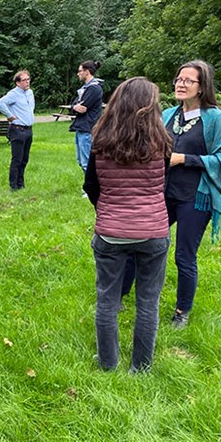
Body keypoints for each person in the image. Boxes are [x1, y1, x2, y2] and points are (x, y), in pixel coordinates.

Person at [83, 77, 172, 372]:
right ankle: (141, 367)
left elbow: (91, 186)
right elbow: (165, 187)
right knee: (148, 302)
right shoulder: (162, 141)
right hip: (153, 232)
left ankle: (108, 364)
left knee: (107, 300)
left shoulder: (101, 140)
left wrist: (109, 210)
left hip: (110, 232)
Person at [163, 60, 221, 329]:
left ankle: (182, 311)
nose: (181, 84)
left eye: (188, 81)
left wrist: (185, 159)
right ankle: (125, 293)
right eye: (178, 79)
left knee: (184, 255)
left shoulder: (215, 118)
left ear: (202, 86)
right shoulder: (169, 114)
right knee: (146, 243)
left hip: (196, 197)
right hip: (163, 193)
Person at [0, 70, 35, 191]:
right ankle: (13, 186)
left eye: (28, 79)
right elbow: (0, 103)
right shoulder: (13, 94)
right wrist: (9, 115)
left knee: (25, 159)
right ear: (17, 83)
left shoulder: (30, 93)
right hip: (17, 129)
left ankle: (21, 183)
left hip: (28, 129)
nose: (27, 82)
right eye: (24, 80)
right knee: (17, 159)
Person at [71, 60, 104, 177]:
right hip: (81, 127)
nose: (78, 74)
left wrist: (76, 106)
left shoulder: (94, 88)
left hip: (88, 128)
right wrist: (75, 106)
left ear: (87, 72)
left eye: (80, 71)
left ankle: (92, 189)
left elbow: (83, 107)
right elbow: (74, 104)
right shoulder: (85, 88)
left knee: (87, 162)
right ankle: (89, 187)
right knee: (80, 161)